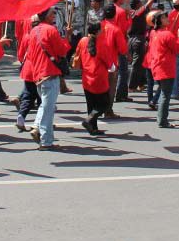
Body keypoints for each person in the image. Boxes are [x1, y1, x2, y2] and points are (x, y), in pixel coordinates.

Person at [28, 8, 71, 149]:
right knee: (48, 109)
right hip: (50, 73)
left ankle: (39, 130)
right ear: (46, 16)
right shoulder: (51, 30)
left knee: (45, 106)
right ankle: (46, 140)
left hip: (38, 74)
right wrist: (67, 37)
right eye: (52, 13)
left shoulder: (33, 31)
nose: (54, 15)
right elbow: (62, 50)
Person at [74, 22, 109, 135]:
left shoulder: (82, 41)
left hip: (86, 76)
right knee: (105, 104)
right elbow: (107, 61)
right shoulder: (102, 43)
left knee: (91, 104)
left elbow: (77, 55)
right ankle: (89, 121)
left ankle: (93, 128)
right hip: (99, 77)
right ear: (97, 31)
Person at [148, 11, 179, 128]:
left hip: (157, 66)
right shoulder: (167, 34)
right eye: (164, 17)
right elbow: (177, 48)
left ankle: (161, 119)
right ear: (159, 20)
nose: (167, 18)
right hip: (166, 67)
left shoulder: (153, 33)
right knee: (165, 95)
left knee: (163, 93)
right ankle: (162, 120)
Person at [98, 3, 127, 119]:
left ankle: (97, 109)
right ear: (114, 15)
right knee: (110, 88)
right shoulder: (116, 29)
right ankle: (108, 110)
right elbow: (123, 49)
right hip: (111, 63)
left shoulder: (98, 26)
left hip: (97, 61)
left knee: (99, 87)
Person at [14, 14, 42, 132]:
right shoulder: (42, 35)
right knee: (42, 97)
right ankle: (40, 122)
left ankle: (21, 116)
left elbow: (20, 55)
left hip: (28, 68)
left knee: (28, 95)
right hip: (39, 68)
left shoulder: (26, 36)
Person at [127, 0, 155, 93]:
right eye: (140, 2)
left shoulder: (129, 12)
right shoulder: (139, 11)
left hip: (131, 39)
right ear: (137, 4)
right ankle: (132, 86)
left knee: (141, 62)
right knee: (137, 63)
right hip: (138, 39)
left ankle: (141, 83)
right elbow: (151, 0)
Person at [110, 0, 132, 102]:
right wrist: (129, 18)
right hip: (119, 42)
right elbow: (125, 29)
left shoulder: (109, 10)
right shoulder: (121, 12)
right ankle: (120, 94)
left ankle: (119, 93)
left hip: (109, 43)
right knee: (123, 71)